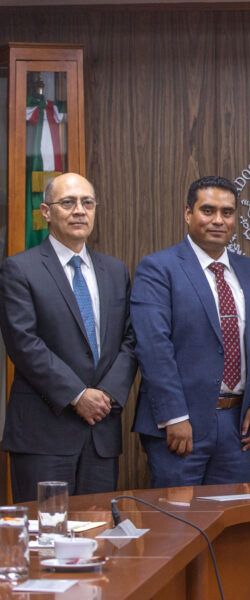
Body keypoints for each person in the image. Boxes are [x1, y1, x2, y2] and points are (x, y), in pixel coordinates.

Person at [131, 176, 250, 488]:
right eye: (208, 210)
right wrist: (175, 416)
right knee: (178, 516)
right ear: (188, 213)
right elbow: (153, 347)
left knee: (233, 513)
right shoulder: (158, 268)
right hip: (180, 425)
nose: (218, 220)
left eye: (227, 212)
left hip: (238, 426)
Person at [0, 173, 137, 502]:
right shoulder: (20, 269)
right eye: (68, 203)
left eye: (87, 203)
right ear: (46, 212)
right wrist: (77, 395)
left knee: (97, 528)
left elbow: (131, 340)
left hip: (101, 432)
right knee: (46, 529)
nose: (79, 210)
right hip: (43, 434)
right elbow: (24, 343)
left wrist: (106, 394)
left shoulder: (115, 271)